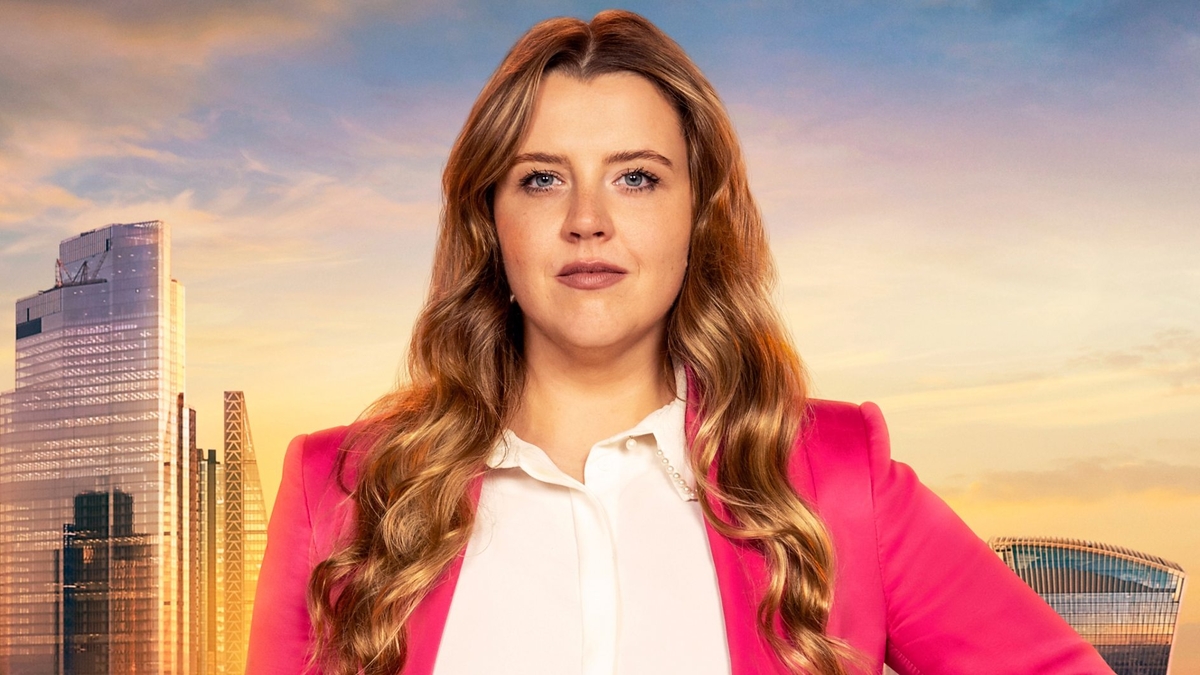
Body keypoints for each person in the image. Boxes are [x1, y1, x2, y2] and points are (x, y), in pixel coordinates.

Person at [247, 10, 1114, 675]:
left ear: (698, 215)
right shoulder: (340, 489)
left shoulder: (841, 475)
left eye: (636, 177)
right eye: (542, 178)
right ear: (489, 220)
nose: (588, 221)